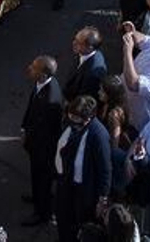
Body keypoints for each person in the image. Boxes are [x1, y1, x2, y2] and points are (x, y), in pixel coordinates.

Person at [53, 96, 112, 242]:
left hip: (84, 191)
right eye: (70, 116)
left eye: (76, 118)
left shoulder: (99, 135)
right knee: (63, 217)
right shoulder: (74, 124)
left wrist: (102, 199)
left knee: (79, 224)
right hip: (68, 182)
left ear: (88, 118)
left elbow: (105, 170)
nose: (71, 120)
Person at [21, 55, 64, 227]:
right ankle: (36, 196)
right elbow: (31, 108)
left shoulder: (51, 99)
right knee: (36, 176)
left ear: (44, 74)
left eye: (34, 67)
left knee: (43, 179)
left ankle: (42, 212)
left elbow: (47, 130)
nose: (29, 68)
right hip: (35, 142)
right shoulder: (40, 84)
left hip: (44, 148)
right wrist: (24, 128)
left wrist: (30, 140)